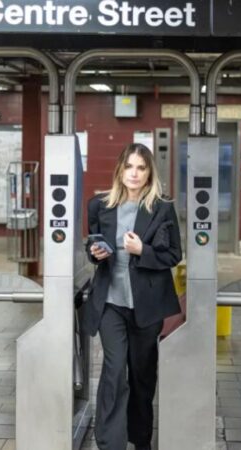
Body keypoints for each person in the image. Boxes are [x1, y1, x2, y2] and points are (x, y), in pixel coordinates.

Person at [84, 143, 182, 450]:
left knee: (141, 375)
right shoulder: (99, 205)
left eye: (141, 167)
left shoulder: (162, 208)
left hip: (146, 306)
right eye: (129, 167)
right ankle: (109, 443)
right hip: (110, 301)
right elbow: (92, 247)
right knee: (114, 370)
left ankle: (140, 439)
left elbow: (173, 255)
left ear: (150, 172)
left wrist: (144, 251)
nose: (135, 173)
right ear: (120, 170)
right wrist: (95, 253)